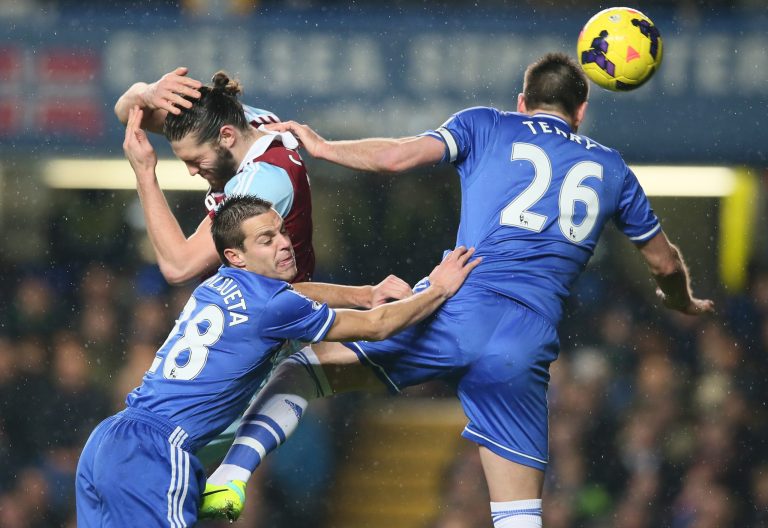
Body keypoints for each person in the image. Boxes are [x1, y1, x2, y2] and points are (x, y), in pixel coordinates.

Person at [202, 53, 714, 527]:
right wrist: (681, 301)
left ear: (522, 101)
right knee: (518, 512)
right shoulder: (612, 168)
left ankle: (230, 477)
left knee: (303, 372)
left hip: (457, 301)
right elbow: (665, 263)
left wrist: (323, 146)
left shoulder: (486, 124)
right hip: (525, 340)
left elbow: (398, 157)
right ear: (580, 111)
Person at [74, 193, 480, 527]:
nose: (284, 242)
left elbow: (295, 295)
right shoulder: (271, 306)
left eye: (281, 231)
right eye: (266, 240)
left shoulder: (217, 282)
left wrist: (361, 292)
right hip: (158, 451)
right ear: (236, 255)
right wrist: (438, 290)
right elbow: (377, 327)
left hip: (108, 441)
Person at [115, 67, 315, 284]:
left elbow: (180, 267)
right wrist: (148, 94)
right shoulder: (241, 122)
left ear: (227, 136)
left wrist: (145, 175)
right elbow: (125, 111)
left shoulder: (262, 183)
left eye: (197, 160)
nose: (192, 171)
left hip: (272, 313)